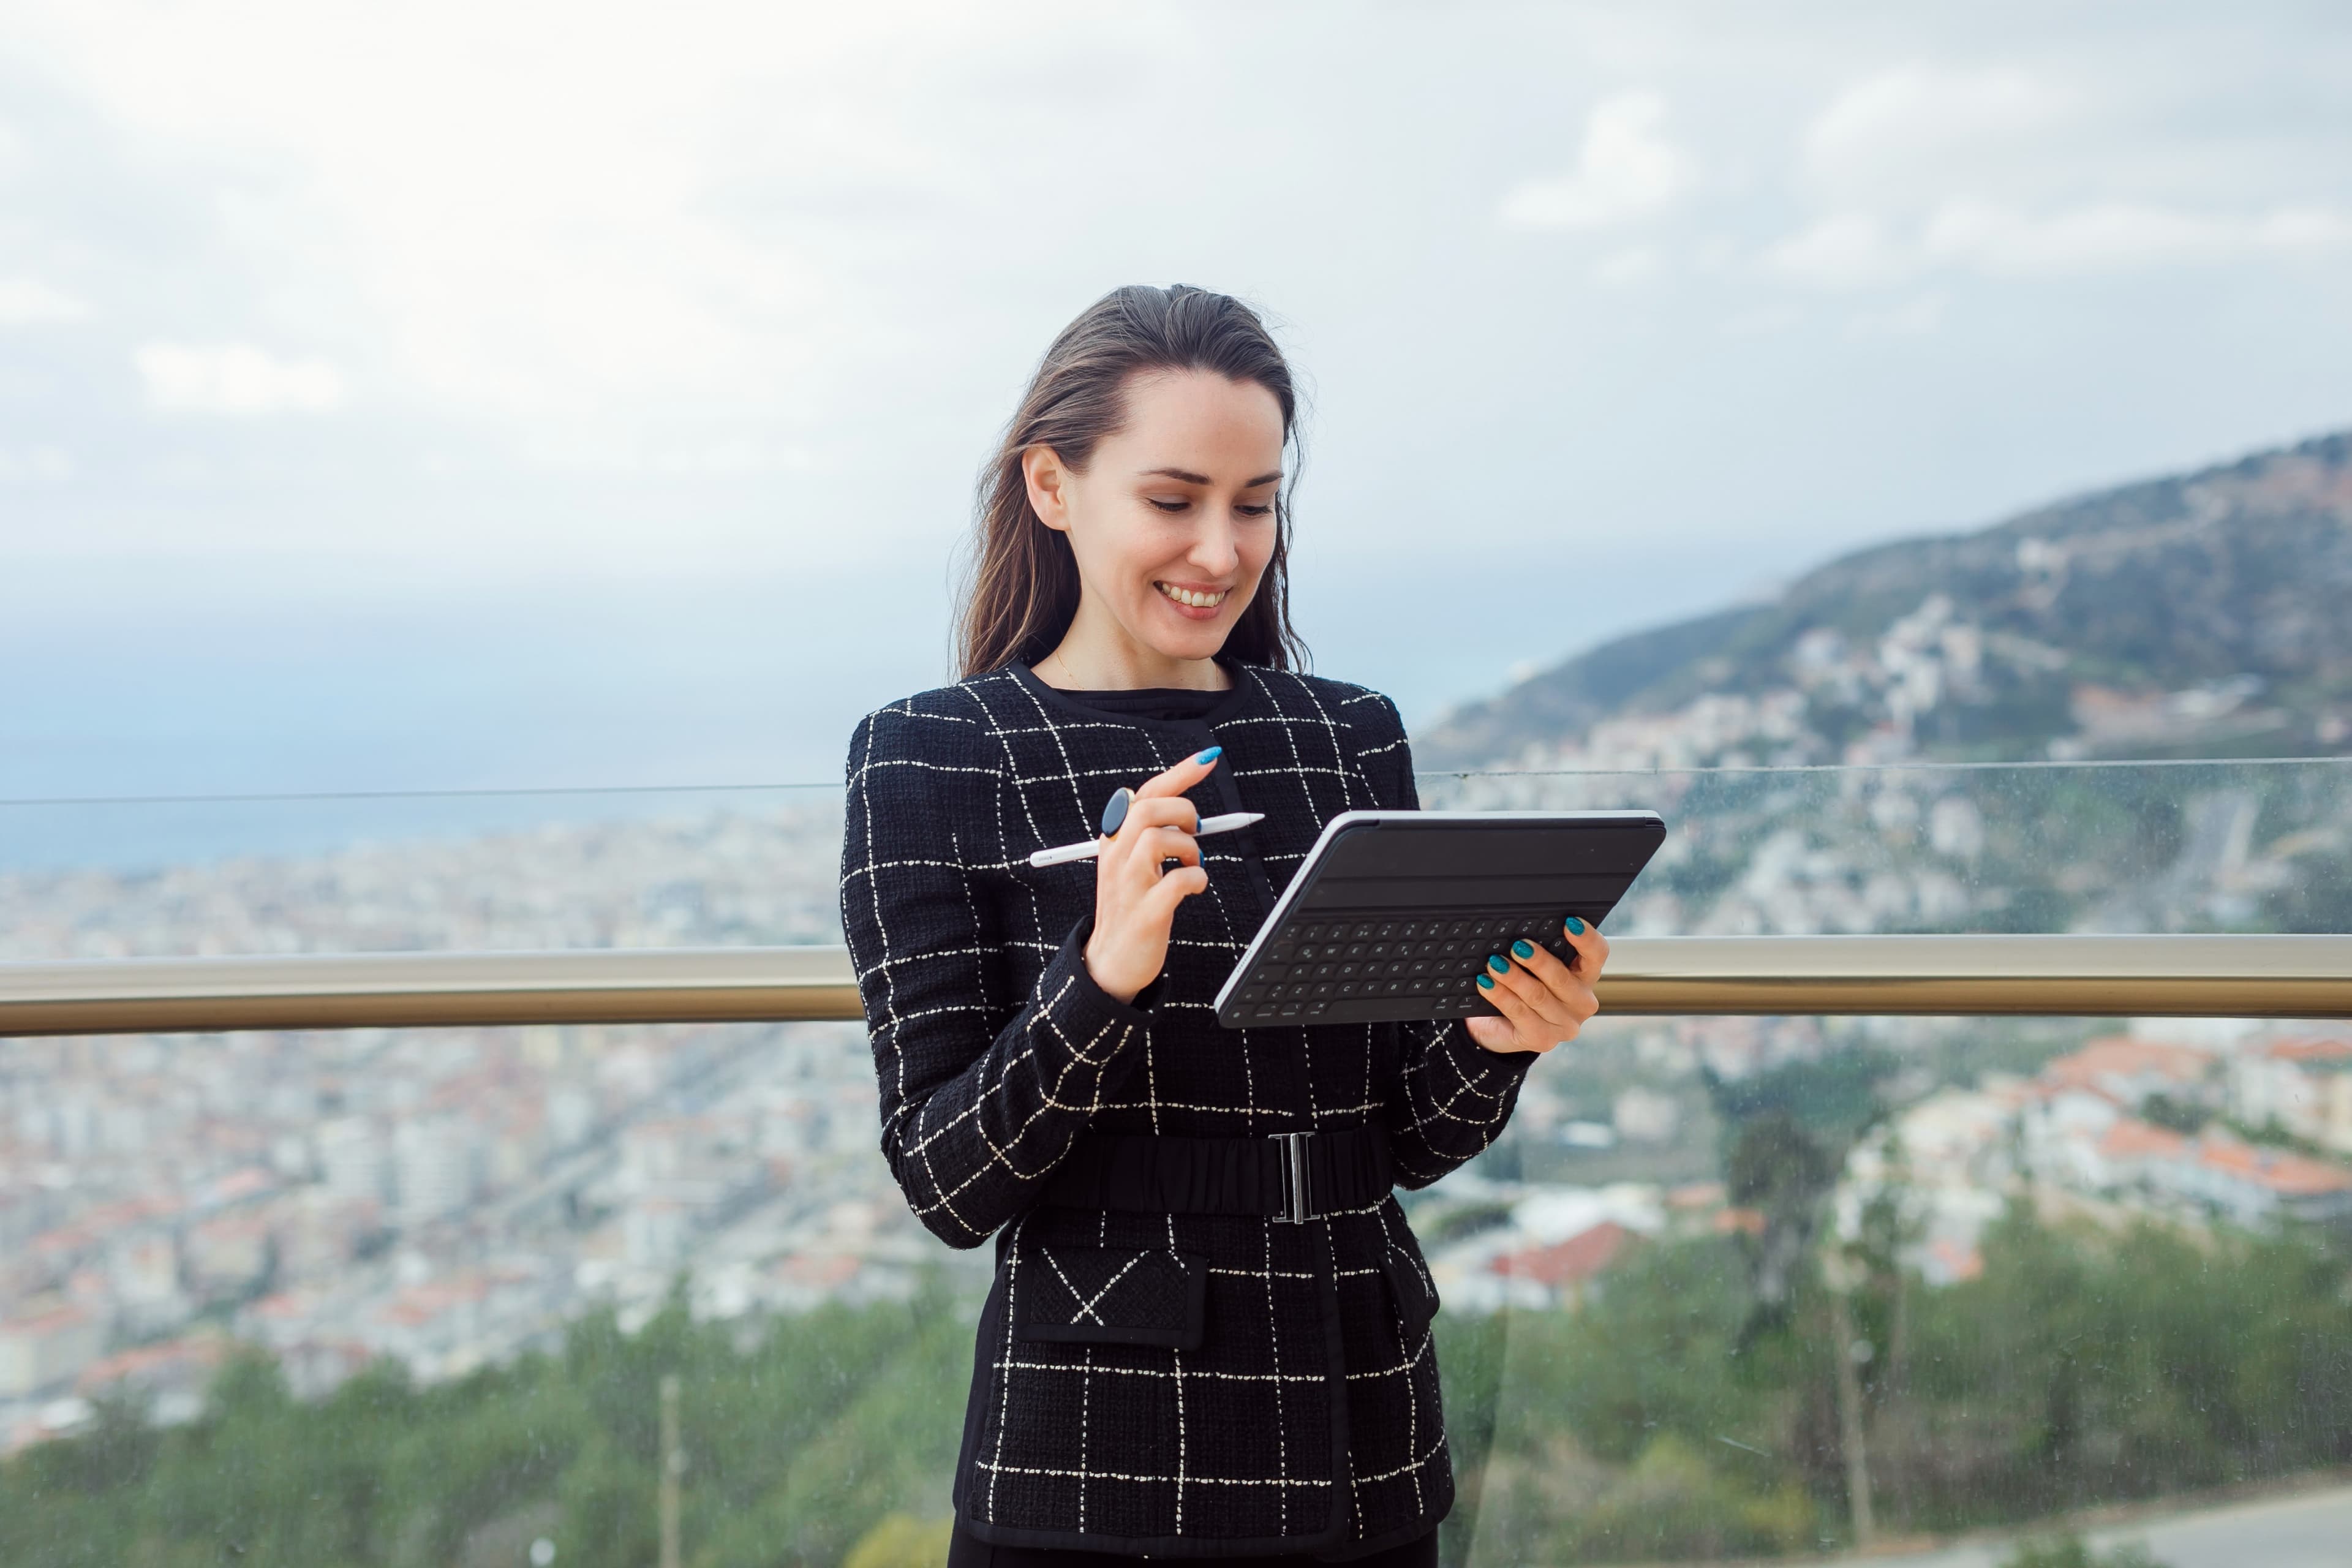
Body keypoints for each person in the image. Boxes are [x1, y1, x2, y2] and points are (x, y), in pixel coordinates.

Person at [840, 284, 1610, 1566]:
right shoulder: (935, 755)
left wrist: (1499, 1037)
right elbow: (947, 1181)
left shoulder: (1347, 736)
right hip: (1099, 1457)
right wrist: (1098, 980)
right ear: (1051, 485)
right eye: (1173, 499)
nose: (1220, 551)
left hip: (1366, 1427)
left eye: (1255, 504)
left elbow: (1410, 1137)